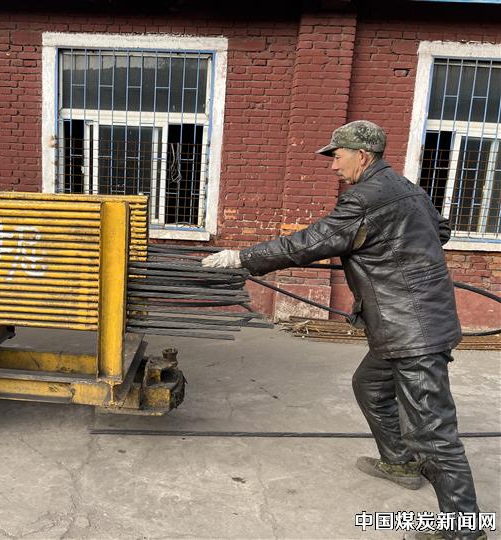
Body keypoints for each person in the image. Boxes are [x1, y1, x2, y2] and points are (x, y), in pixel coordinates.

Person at [202, 120, 485, 540]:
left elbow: (310, 242)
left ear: (362, 156)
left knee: (434, 435)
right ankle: (400, 462)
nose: (333, 166)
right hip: (406, 325)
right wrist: (397, 253)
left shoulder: (366, 198)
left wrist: (241, 258)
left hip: (413, 332)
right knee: (369, 386)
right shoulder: (407, 189)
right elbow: (439, 230)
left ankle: (464, 530)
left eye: (337, 156)